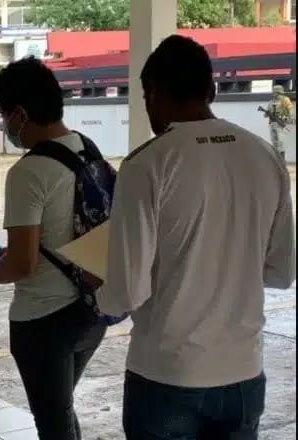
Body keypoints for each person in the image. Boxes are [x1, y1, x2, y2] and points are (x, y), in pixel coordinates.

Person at [100, 35, 296, 439]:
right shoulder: (264, 157)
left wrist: (97, 286)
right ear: (212, 90)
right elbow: (281, 271)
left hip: (167, 376)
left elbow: (126, 293)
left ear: (154, 93)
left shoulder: (147, 164)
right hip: (243, 374)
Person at [0, 57, 107, 439]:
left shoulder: (28, 172)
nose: (5, 125)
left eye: (4, 115)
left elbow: (22, 264)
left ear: (21, 114)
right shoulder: (87, 149)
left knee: (53, 422)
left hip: (43, 320)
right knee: (61, 411)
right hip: (90, 308)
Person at [261, 84, 294, 161]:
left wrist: (288, 118)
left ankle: (281, 160)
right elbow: (266, 113)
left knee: (280, 143)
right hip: (272, 123)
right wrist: (266, 113)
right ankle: (276, 160)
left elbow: (291, 110)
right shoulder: (271, 101)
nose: (274, 94)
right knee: (274, 142)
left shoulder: (285, 100)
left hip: (280, 123)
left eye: (275, 92)